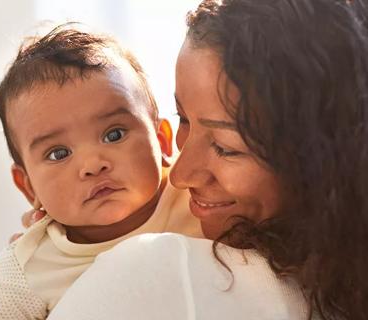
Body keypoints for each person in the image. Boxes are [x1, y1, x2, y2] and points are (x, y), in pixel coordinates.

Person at [46, 0, 368, 319]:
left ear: (324, 163)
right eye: (183, 118)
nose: (179, 175)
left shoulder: (157, 272)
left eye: (226, 147)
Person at [0, 23, 203, 320]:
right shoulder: (32, 261)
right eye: (59, 153)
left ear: (162, 140)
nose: (92, 164)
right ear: (29, 187)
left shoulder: (197, 194)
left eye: (114, 135)